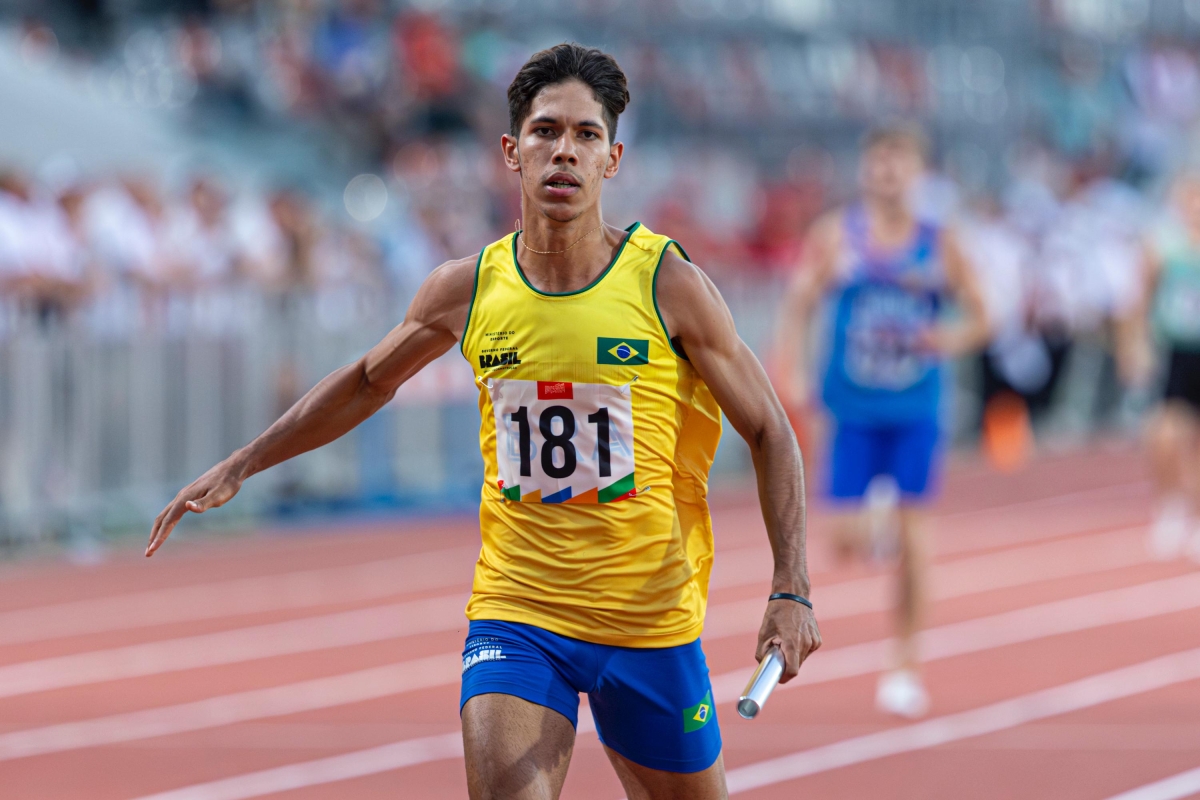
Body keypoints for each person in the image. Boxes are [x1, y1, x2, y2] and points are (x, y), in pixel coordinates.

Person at [145, 44, 820, 800]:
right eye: (545, 130)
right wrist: (245, 460)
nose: (564, 149)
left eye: (586, 135)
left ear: (613, 159)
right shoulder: (466, 289)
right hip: (518, 611)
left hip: (648, 618)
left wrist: (790, 588)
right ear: (511, 150)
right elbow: (368, 382)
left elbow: (770, 431)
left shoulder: (669, 285)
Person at [774, 125, 988, 719]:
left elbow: (984, 313)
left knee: (918, 545)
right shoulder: (836, 236)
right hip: (850, 408)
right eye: (879, 162)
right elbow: (799, 299)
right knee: (843, 542)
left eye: (900, 163)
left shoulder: (939, 243)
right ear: (866, 169)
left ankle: (904, 664)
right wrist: (788, 367)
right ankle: (877, 518)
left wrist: (948, 335)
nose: (888, 173)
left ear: (918, 173)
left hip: (916, 409)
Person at [1117, 173, 1200, 563]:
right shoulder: (1164, 246)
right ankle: (1170, 508)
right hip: (1178, 352)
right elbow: (1139, 300)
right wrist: (1134, 347)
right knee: (1165, 435)